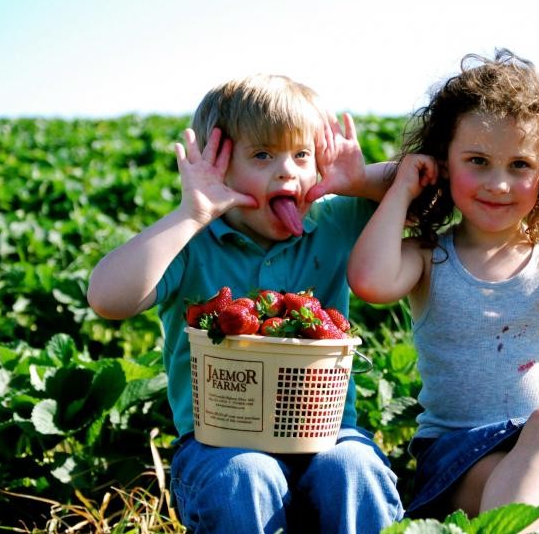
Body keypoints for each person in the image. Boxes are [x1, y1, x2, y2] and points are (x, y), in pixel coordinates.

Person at [87, 74, 403, 533]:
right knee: (245, 476)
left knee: (354, 469)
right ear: (217, 166)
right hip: (218, 442)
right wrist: (190, 214)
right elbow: (106, 299)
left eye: (301, 155)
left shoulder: (334, 220)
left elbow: (431, 189)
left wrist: (359, 180)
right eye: (262, 155)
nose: (286, 171)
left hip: (328, 433)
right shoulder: (191, 243)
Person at [346, 50, 539, 533]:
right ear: (443, 165)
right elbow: (370, 282)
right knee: (519, 497)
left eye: (520, 164)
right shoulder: (428, 256)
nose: (499, 183)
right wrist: (402, 187)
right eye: (478, 162)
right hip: (461, 457)